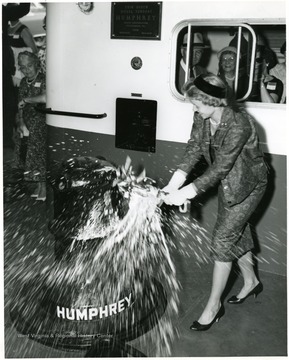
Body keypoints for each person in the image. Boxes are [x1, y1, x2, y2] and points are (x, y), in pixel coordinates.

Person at [162, 74, 268, 331]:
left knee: (222, 240)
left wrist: (186, 193)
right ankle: (252, 280)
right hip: (228, 183)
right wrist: (174, 183)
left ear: (211, 101)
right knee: (235, 234)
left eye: (196, 103)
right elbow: (194, 148)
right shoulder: (202, 116)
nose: (194, 109)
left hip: (248, 186)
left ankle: (213, 307)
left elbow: (221, 167)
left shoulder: (240, 124)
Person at [15, 51, 47, 201]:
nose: (27, 70)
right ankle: (37, 184)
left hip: (40, 120)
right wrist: (20, 121)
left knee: (38, 153)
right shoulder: (22, 82)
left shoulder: (44, 79)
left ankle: (44, 186)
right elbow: (19, 105)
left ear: (36, 64)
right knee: (28, 153)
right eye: (23, 67)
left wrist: (27, 100)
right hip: (26, 120)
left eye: (29, 66)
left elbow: (45, 97)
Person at [2, 2, 30, 149]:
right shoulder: (3, 11)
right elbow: (24, 8)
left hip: (5, 68)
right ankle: (6, 140)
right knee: (8, 103)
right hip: (4, 69)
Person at [7, 6, 38, 87]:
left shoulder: (23, 30)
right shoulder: (6, 28)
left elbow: (34, 50)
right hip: (10, 68)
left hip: (21, 70)